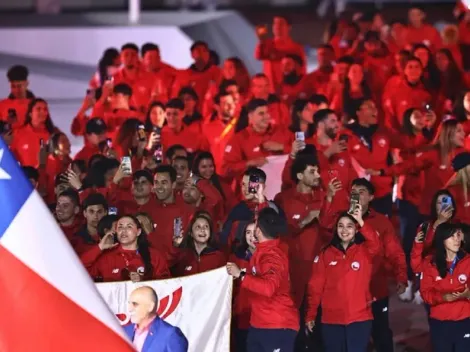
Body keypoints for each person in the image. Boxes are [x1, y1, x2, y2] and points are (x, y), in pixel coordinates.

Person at [305, 206, 380, 352]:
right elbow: (315, 287)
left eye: (349, 226)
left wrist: (360, 220)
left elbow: (375, 243)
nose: (344, 230)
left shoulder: (364, 252)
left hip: (359, 319)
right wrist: (311, 315)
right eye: (341, 226)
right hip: (332, 320)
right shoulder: (325, 255)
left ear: (356, 230)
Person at [227, 207, 298, 352]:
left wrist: (240, 275)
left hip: (277, 325)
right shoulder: (263, 251)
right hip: (259, 324)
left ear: (258, 231)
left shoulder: (272, 255)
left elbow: (268, 288)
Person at [420, 223, 470, 352]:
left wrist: (467, 295)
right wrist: (442, 297)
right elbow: (425, 293)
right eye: (452, 236)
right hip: (440, 323)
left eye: (458, 235)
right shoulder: (430, 263)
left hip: (464, 321)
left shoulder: (468, 261)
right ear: (442, 239)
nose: (457, 239)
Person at [80, 215, 170, 282]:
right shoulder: (107, 256)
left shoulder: (154, 255)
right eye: (120, 227)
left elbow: (166, 283)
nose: (124, 230)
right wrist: (100, 247)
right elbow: (79, 269)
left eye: (129, 227)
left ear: (138, 232)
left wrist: (143, 281)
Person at [124, 286, 188, 352]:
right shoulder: (124, 331)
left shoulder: (171, 334)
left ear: (150, 307)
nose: (129, 309)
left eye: (135, 304)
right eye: (129, 303)